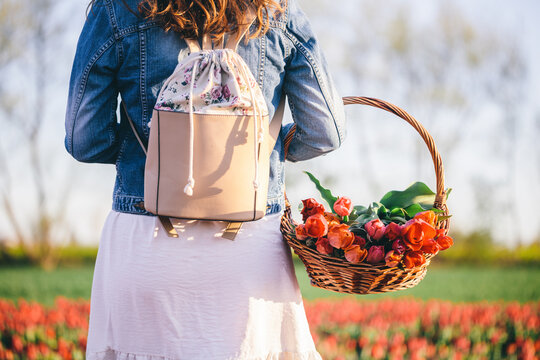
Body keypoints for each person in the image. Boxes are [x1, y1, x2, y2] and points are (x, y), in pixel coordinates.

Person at [65, 0, 346, 358]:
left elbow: (84, 139)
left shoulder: (117, 9)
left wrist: (161, 154)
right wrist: (264, 150)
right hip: (249, 243)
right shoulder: (278, 12)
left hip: (146, 237)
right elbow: (326, 132)